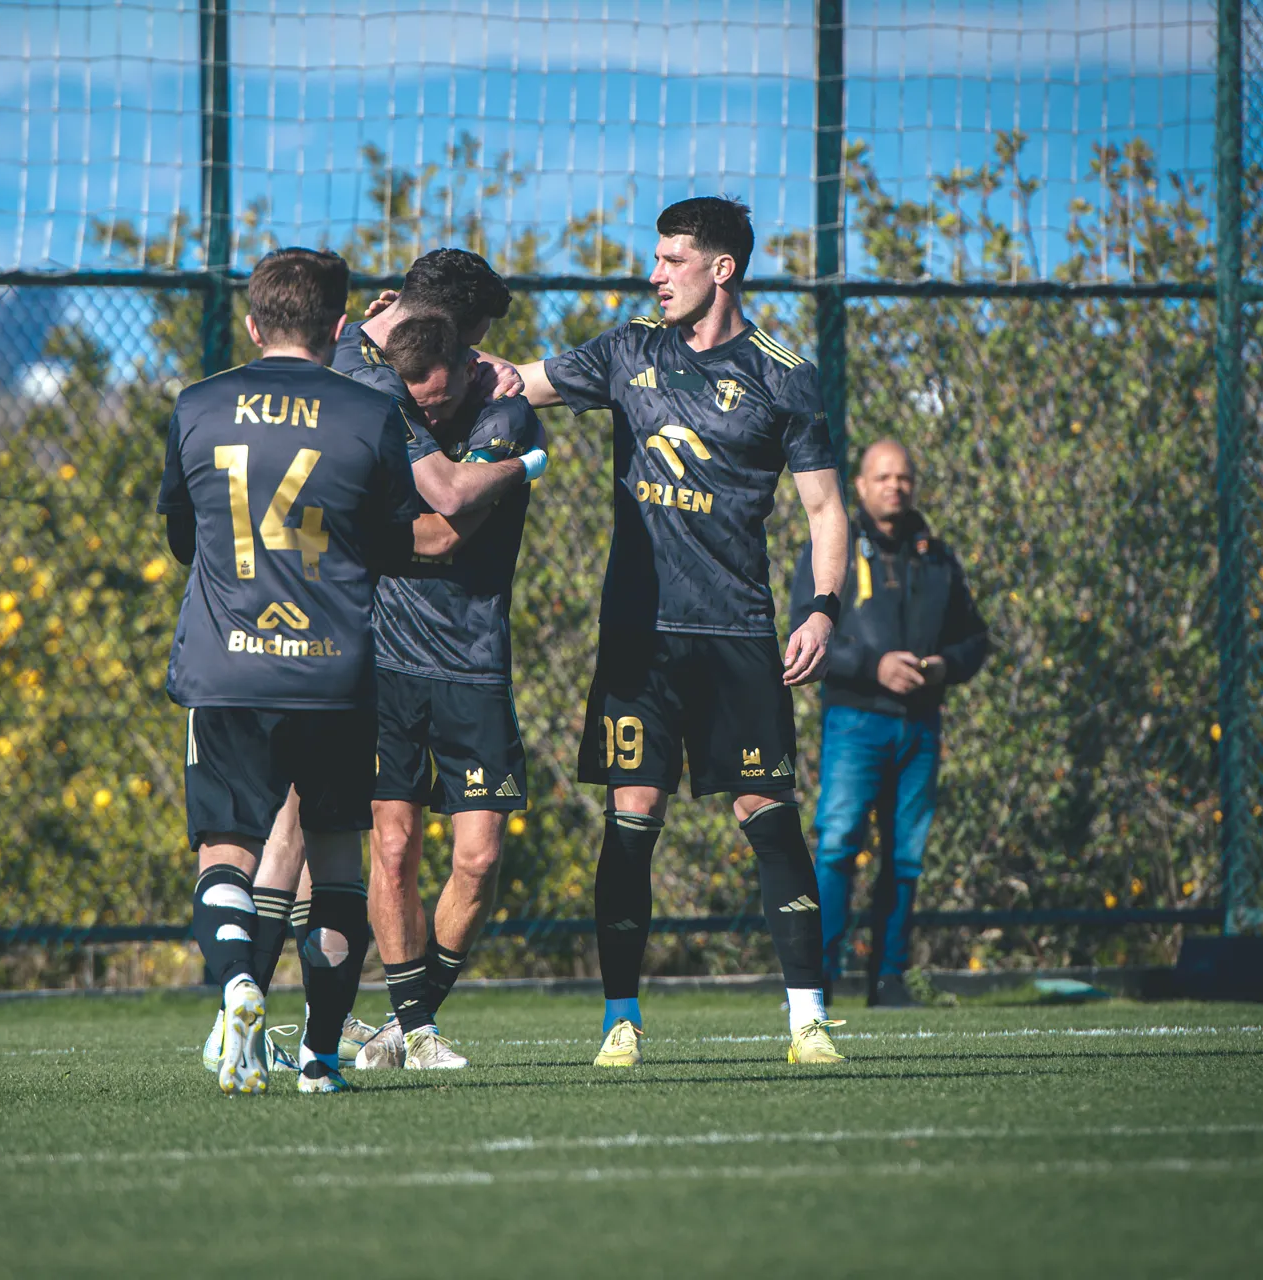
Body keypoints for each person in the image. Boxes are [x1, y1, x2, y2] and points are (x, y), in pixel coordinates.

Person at [481, 195, 852, 1067]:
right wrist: (418, 344)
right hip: (638, 639)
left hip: (736, 635)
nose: (654, 275)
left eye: (671, 260)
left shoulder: (784, 374)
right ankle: (622, 1019)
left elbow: (827, 511)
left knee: (768, 815)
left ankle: (808, 1020)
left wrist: (822, 607)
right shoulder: (627, 350)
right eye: (655, 259)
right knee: (631, 817)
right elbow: (513, 381)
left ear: (722, 269)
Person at [157, 246, 420, 1095]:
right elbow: (396, 542)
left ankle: (239, 981)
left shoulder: (198, 406)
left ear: (251, 323)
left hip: (225, 670)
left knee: (225, 855)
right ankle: (320, 1060)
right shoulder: (371, 412)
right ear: (339, 327)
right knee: (336, 866)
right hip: (334, 673)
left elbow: (183, 538)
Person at [343, 312, 546, 1071]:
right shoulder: (385, 408)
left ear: (467, 366)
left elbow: (446, 529)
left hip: (475, 666)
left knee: (480, 860)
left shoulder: (506, 417)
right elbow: (336, 335)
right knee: (393, 849)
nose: (428, 418)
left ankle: (406, 1023)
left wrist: (358, 535)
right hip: (387, 664)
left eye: (440, 402)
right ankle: (417, 1030)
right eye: (417, 405)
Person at [788, 438, 988, 1007]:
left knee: (905, 856)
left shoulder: (936, 557)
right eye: (882, 477)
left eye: (902, 477)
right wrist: (874, 665)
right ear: (860, 485)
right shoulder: (834, 549)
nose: (894, 487)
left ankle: (889, 980)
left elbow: (974, 638)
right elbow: (804, 626)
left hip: (920, 727)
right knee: (837, 846)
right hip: (855, 722)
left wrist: (944, 666)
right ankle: (815, 981)